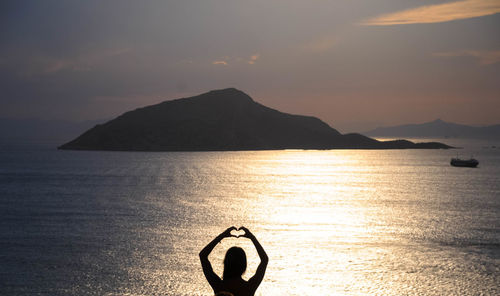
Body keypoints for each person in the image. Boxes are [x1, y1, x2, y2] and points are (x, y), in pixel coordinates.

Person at [199, 226, 268, 296]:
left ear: (226, 263)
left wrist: (221, 236)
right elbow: (264, 260)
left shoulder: (218, 285)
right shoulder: (249, 287)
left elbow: (203, 255)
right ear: (244, 265)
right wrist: (252, 237)